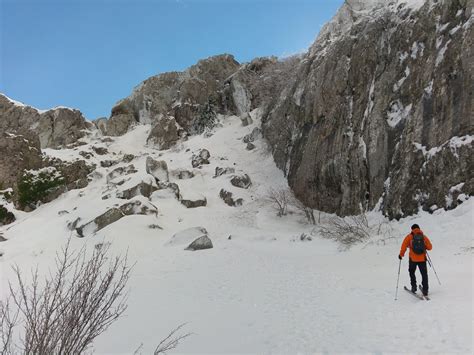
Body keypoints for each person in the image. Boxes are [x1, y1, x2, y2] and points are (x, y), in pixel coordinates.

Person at [398, 224, 432, 296]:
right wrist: (424, 246)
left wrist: (401, 255)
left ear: (412, 229)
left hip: (412, 259)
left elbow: (403, 246)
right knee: (424, 274)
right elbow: (430, 247)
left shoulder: (409, 237)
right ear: (419, 228)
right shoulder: (423, 236)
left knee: (411, 272)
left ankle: (414, 287)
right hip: (422, 259)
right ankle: (425, 290)